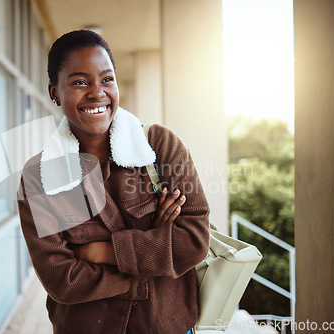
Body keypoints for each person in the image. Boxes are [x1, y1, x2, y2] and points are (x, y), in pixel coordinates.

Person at [17, 29, 210, 334]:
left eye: (107, 79)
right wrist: (155, 251)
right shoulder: (38, 178)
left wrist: (103, 252)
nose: (97, 92)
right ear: (55, 92)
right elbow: (63, 282)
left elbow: (195, 241)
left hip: (166, 326)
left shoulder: (160, 146)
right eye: (80, 82)